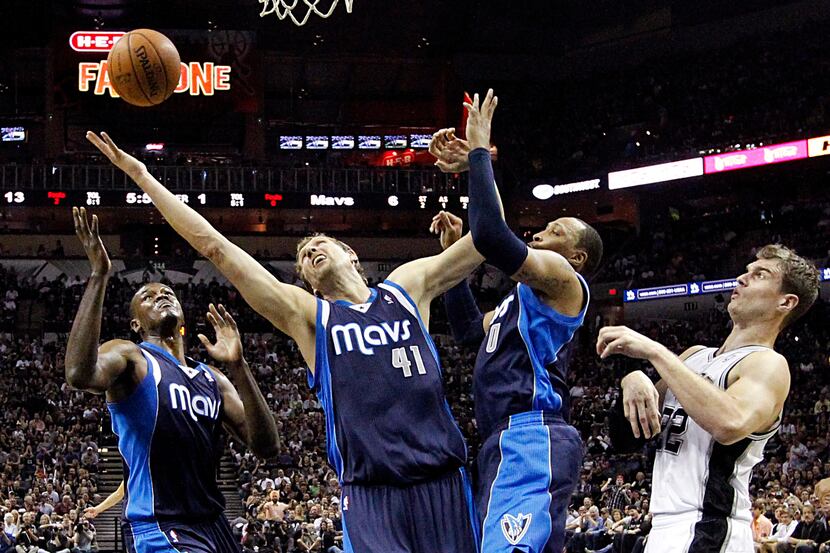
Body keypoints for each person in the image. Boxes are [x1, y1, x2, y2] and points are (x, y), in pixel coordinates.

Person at [85, 131, 483, 552]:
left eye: (317, 244)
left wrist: (478, 163)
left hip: (444, 482)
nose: (309, 251)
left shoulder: (406, 287)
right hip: (371, 493)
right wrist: (143, 176)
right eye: (303, 259)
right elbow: (215, 248)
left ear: (350, 253)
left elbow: (489, 239)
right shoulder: (311, 317)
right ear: (309, 286)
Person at [430, 89, 603, 553]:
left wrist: (479, 152)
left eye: (557, 230)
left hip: (531, 433)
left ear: (576, 255)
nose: (541, 231)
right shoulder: (519, 301)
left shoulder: (566, 281)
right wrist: (451, 258)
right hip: (502, 440)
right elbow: (468, 331)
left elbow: (490, 234)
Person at [64, 207, 280, 552]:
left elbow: (268, 447)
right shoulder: (131, 355)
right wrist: (99, 275)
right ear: (136, 324)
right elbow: (78, 374)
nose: (160, 295)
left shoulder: (212, 377)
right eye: (146, 297)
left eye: (167, 292)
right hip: (160, 524)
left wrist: (240, 367)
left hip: (214, 524)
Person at [599, 244, 821, 553]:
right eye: (745, 271)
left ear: (785, 301)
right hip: (663, 527)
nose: (742, 279)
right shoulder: (693, 357)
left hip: (710, 528)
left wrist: (655, 351)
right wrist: (631, 378)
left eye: (759, 275)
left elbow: (730, 422)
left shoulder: (767, 363)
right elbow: (627, 438)